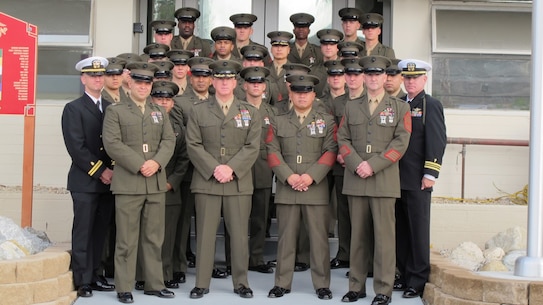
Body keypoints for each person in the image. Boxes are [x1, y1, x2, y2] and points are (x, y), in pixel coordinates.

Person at [337, 55, 411, 305]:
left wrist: (373, 165)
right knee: (357, 237)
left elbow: (400, 143)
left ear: (385, 78)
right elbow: (343, 139)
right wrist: (358, 164)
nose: (373, 78)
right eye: (368, 74)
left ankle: (383, 290)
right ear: (364, 77)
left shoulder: (400, 107)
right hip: (356, 179)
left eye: (378, 74)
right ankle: (356, 287)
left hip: (383, 181)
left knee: (384, 239)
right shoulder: (351, 106)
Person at [185, 60, 261, 299]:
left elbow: (252, 147)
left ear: (235, 82)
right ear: (212, 82)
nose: (224, 83)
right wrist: (215, 168)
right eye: (220, 79)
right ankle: (202, 283)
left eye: (228, 79)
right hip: (207, 180)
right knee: (205, 235)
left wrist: (230, 169)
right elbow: (193, 145)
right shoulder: (198, 110)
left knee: (239, 235)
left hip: (237, 182)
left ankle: (241, 282)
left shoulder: (250, 112)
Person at [102, 61, 176, 303]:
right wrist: (139, 163)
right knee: (126, 238)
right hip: (129, 183)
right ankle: (124, 286)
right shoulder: (116, 111)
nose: (143, 87)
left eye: (147, 83)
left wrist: (156, 163)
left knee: (154, 237)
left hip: (154, 183)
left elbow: (169, 141)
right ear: (130, 83)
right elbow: (112, 143)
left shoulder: (158, 111)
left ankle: (154, 283)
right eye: (139, 83)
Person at [266, 74, 337, 300]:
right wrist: (288, 177)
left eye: (306, 92)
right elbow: (272, 151)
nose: (302, 96)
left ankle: (322, 284)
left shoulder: (326, 120)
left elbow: (330, 151)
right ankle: (282, 283)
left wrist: (309, 176)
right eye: (297, 92)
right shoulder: (278, 120)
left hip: (314, 188)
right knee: (286, 238)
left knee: (318, 240)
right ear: (291, 94)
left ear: (314, 95)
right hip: (288, 187)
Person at [61, 56, 115, 298]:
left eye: (100, 75)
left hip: (108, 182)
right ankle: (82, 280)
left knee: (100, 232)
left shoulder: (110, 106)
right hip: (86, 181)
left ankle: (95, 275)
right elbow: (76, 147)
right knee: (83, 231)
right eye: (92, 75)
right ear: (83, 79)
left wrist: (112, 171)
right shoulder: (73, 108)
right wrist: (101, 171)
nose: (97, 79)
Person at [394, 59, 446, 299]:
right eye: (407, 78)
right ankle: (404, 275)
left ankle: (417, 279)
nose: (410, 81)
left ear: (424, 79)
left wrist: (430, 173)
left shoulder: (430, 105)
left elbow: (436, 140)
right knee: (401, 230)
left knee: (418, 230)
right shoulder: (397, 104)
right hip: (395, 178)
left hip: (417, 179)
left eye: (415, 78)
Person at [149, 80, 190, 289]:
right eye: (159, 98)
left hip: (169, 189)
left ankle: (165, 275)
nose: (163, 103)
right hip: (145, 186)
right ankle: (143, 276)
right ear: (151, 99)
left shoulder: (178, 128)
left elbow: (184, 159)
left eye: (167, 99)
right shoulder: (143, 123)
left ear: (172, 103)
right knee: (146, 235)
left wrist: (171, 182)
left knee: (168, 236)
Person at [239, 66, 277, 274]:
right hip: (240, 169)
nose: (256, 85)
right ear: (244, 85)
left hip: (262, 168)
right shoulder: (236, 108)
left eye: (260, 82)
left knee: (260, 217)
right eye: (252, 82)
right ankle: (233, 259)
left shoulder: (271, 112)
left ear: (264, 86)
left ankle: (256, 258)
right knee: (236, 217)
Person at [266, 31, 293, 102]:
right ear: (271, 49)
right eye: (275, 46)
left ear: (289, 50)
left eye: (283, 46)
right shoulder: (265, 71)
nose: (279, 49)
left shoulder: (295, 71)